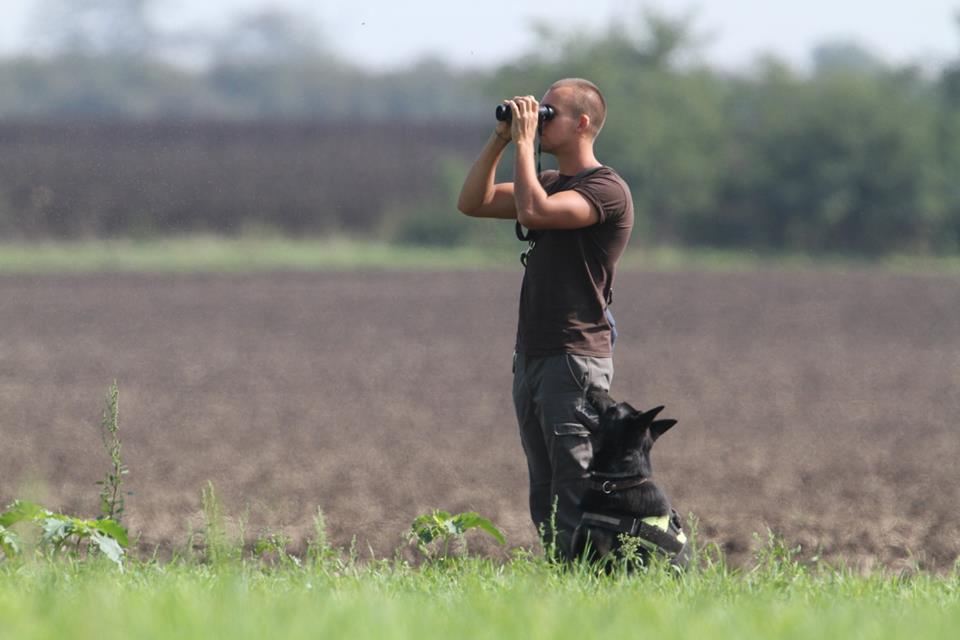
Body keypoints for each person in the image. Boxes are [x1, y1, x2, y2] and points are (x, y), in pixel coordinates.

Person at [457, 78, 634, 560]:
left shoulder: (606, 189)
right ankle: (565, 577)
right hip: (534, 355)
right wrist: (501, 138)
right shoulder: (552, 182)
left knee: (575, 482)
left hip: (575, 357)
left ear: (582, 123)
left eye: (549, 112)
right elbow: (472, 201)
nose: (540, 118)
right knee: (544, 489)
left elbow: (534, 212)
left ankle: (594, 580)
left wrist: (522, 142)